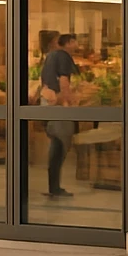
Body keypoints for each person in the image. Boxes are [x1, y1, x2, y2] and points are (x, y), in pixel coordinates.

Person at [40, 33, 79, 198]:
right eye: (75, 41)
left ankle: (53, 186)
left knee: (56, 145)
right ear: (69, 43)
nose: (77, 45)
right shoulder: (63, 56)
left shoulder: (50, 56)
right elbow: (64, 82)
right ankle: (54, 187)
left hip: (47, 103)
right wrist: (69, 103)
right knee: (61, 145)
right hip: (58, 104)